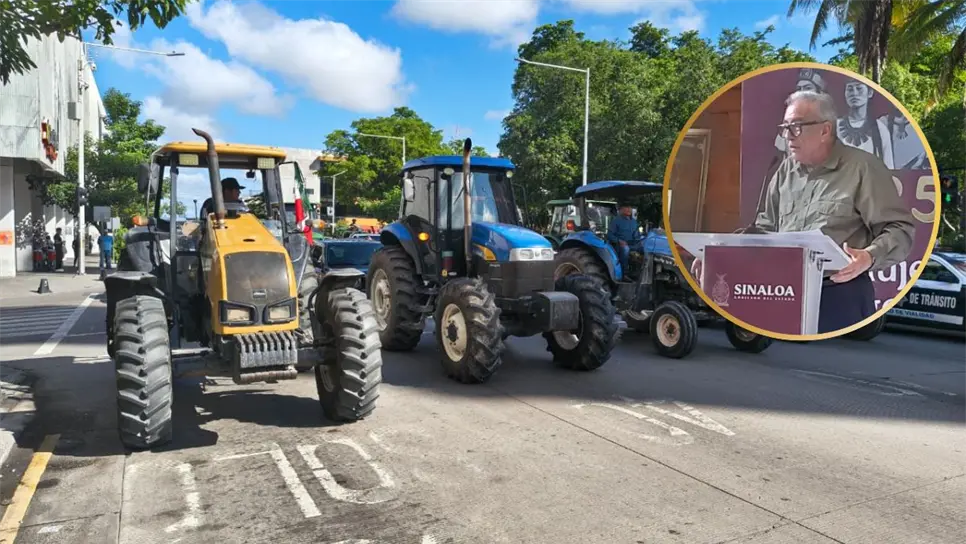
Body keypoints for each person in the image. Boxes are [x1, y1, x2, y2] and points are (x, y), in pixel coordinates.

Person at [691, 90, 916, 334]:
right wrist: (719, 254)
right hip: (783, 292)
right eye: (785, 127)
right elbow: (764, 231)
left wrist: (870, 256)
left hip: (839, 294)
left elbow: (900, 229)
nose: (787, 136)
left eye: (796, 127)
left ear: (825, 130)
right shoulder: (784, 171)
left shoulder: (863, 168)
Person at [606, 204, 642, 275]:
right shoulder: (616, 221)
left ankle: (642, 271)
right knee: (626, 249)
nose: (629, 209)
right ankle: (624, 272)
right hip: (619, 245)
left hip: (633, 244)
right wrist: (619, 241)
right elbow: (609, 235)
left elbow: (637, 235)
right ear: (621, 209)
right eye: (626, 207)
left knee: (647, 248)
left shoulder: (634, 222)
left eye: (630, 207)